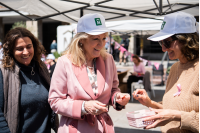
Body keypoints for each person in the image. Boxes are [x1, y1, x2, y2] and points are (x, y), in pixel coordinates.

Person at [48, 13, 130, 133]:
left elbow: (113, 90)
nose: (101, 44)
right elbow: (55, 101)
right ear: (81, 40)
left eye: (104, 38)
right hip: (75, 128)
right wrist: (83, 107)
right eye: (96, 38)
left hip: (103, 128)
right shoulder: (64, 62)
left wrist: (118, 98)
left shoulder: (108, 59)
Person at [133, 12, 199, 132]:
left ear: (186, 39)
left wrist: (177, 116)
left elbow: (174, 114)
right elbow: (170, 110)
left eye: (167, 42)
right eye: (161, 43)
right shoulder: (174, 68)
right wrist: (150, 103)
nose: (163, 48)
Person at [0, 27, 58, 133]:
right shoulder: (3, 73)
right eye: (19, 48)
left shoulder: (41, 68)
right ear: (11, 51)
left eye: (29, 47)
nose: (25, 52)